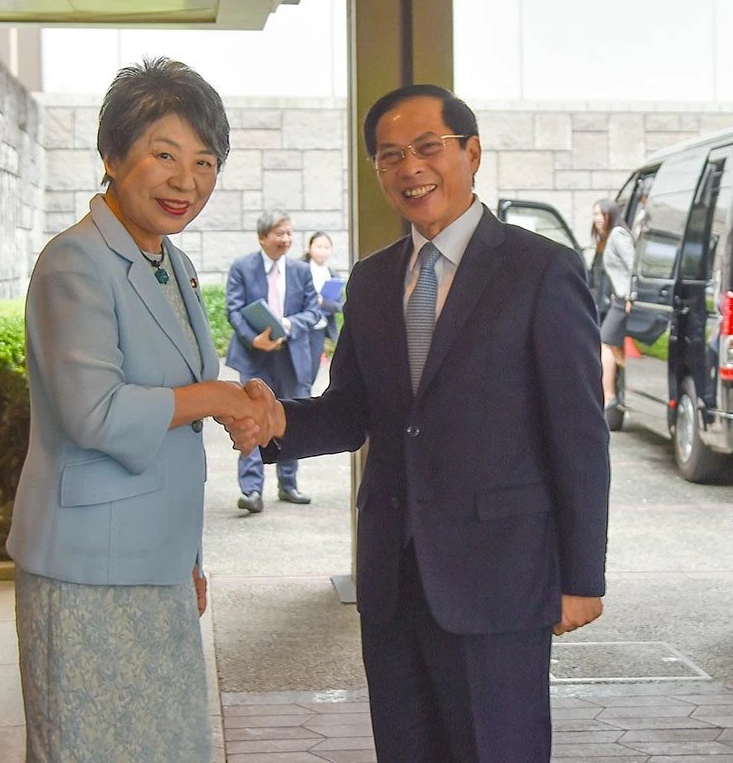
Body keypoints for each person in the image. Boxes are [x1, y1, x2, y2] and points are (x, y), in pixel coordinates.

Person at [227, 85, 610, 762]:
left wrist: (582, 575)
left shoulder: (541, 270)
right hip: (392, 579)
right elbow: (355, 408)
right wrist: (278, 418)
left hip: (497, 579)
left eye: (428, 148)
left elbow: (579, 435)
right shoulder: (373, 279)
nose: (410, 168)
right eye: (390, 155)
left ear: (472, 153)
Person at [5, 57, 259, 763]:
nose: (187, 180)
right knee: (88, 747)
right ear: (113, 156)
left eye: (205, 162)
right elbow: (96, 412)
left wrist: (189, 558)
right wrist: (217, 398)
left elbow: (178, 399)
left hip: (158, 561)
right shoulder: (74, 261)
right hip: (86, 569)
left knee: (167, 745)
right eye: (164, 155)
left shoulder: (171, 262)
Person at [224, 212, 322, 513]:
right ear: (262, 237)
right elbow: (234, 309)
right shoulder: (242, 267)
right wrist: (254, 339)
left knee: (291, 418)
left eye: (289, 233)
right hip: (254, 356)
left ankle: (288, 484)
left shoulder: (301, 270)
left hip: (292, 356)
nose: (286, 239)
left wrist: (290, 324)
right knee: (250, 419)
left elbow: (313, 312)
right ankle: (252, 489)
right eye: (279, 234)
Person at [591, 199, 635, 409]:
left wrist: (630, 296)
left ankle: (608, 395)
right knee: (613, 347)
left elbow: (632, 266)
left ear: (610, 214)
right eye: (595, 214)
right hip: (619, 298)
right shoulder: (608, 237)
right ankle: (634, 379)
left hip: (626, 300)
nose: (597, 219)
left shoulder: (618, 235)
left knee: (605, 342)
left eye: (600, 214)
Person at [302, 231, 342, 375]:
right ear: (310, 248)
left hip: (320, 327)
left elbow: (339, 305)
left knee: (313, 370)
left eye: (326, 247)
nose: (323, 251)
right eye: (319, 247)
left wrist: (322, 302)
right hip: (301, 326)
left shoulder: (333, 275)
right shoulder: (299, 269)